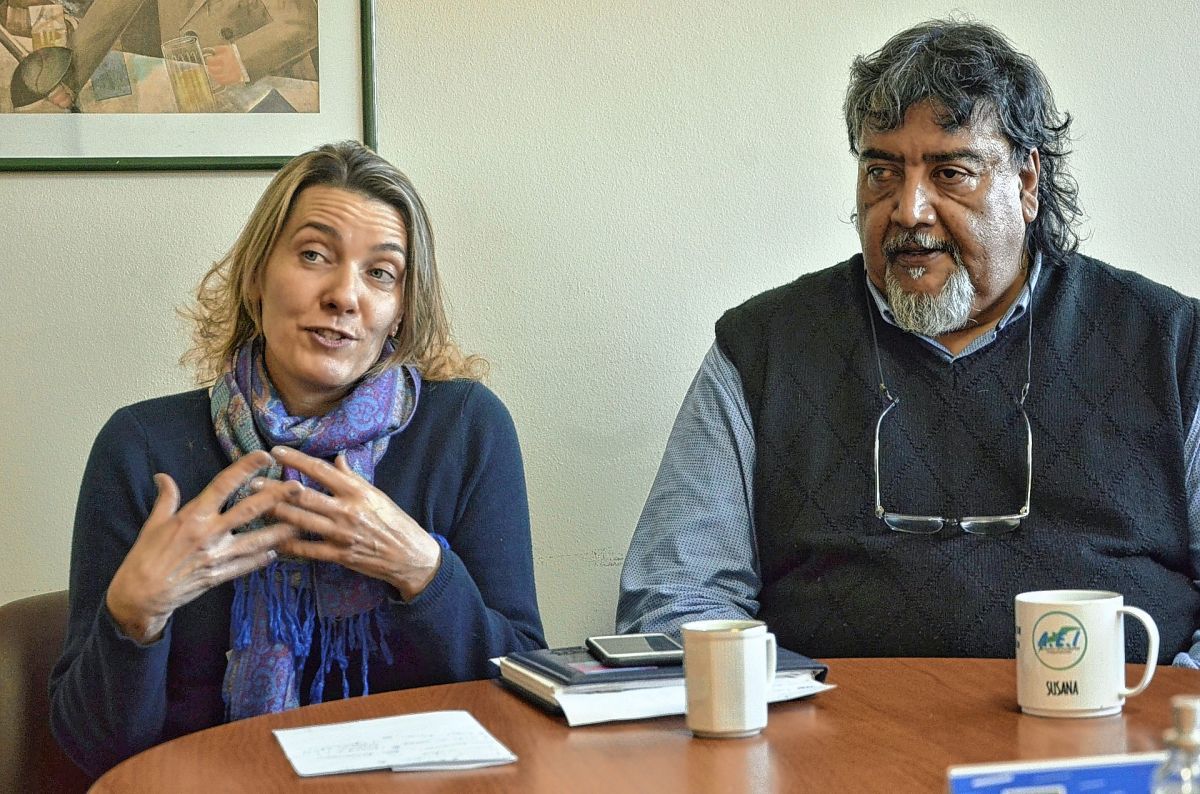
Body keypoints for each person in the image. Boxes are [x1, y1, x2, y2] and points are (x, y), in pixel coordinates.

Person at [617, 19, 1200, 666]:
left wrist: (1164, 715)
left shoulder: (1172, 346)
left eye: (950, 172)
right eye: (882, 172)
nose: (909, 209)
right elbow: (679, 601)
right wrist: (770, 712)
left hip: (1113, 725)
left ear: (1027, 183)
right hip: (827, 726)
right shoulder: (762, 349)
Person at [49, 141, 545, 778]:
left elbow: (523, 691)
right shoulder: (142, 445)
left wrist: (423, 572)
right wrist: (135, 613)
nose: (344, 296)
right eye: (314, 255)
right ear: (256, 277)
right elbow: (92, 752)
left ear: (401, 310)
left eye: (381, 273)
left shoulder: (467, 429)